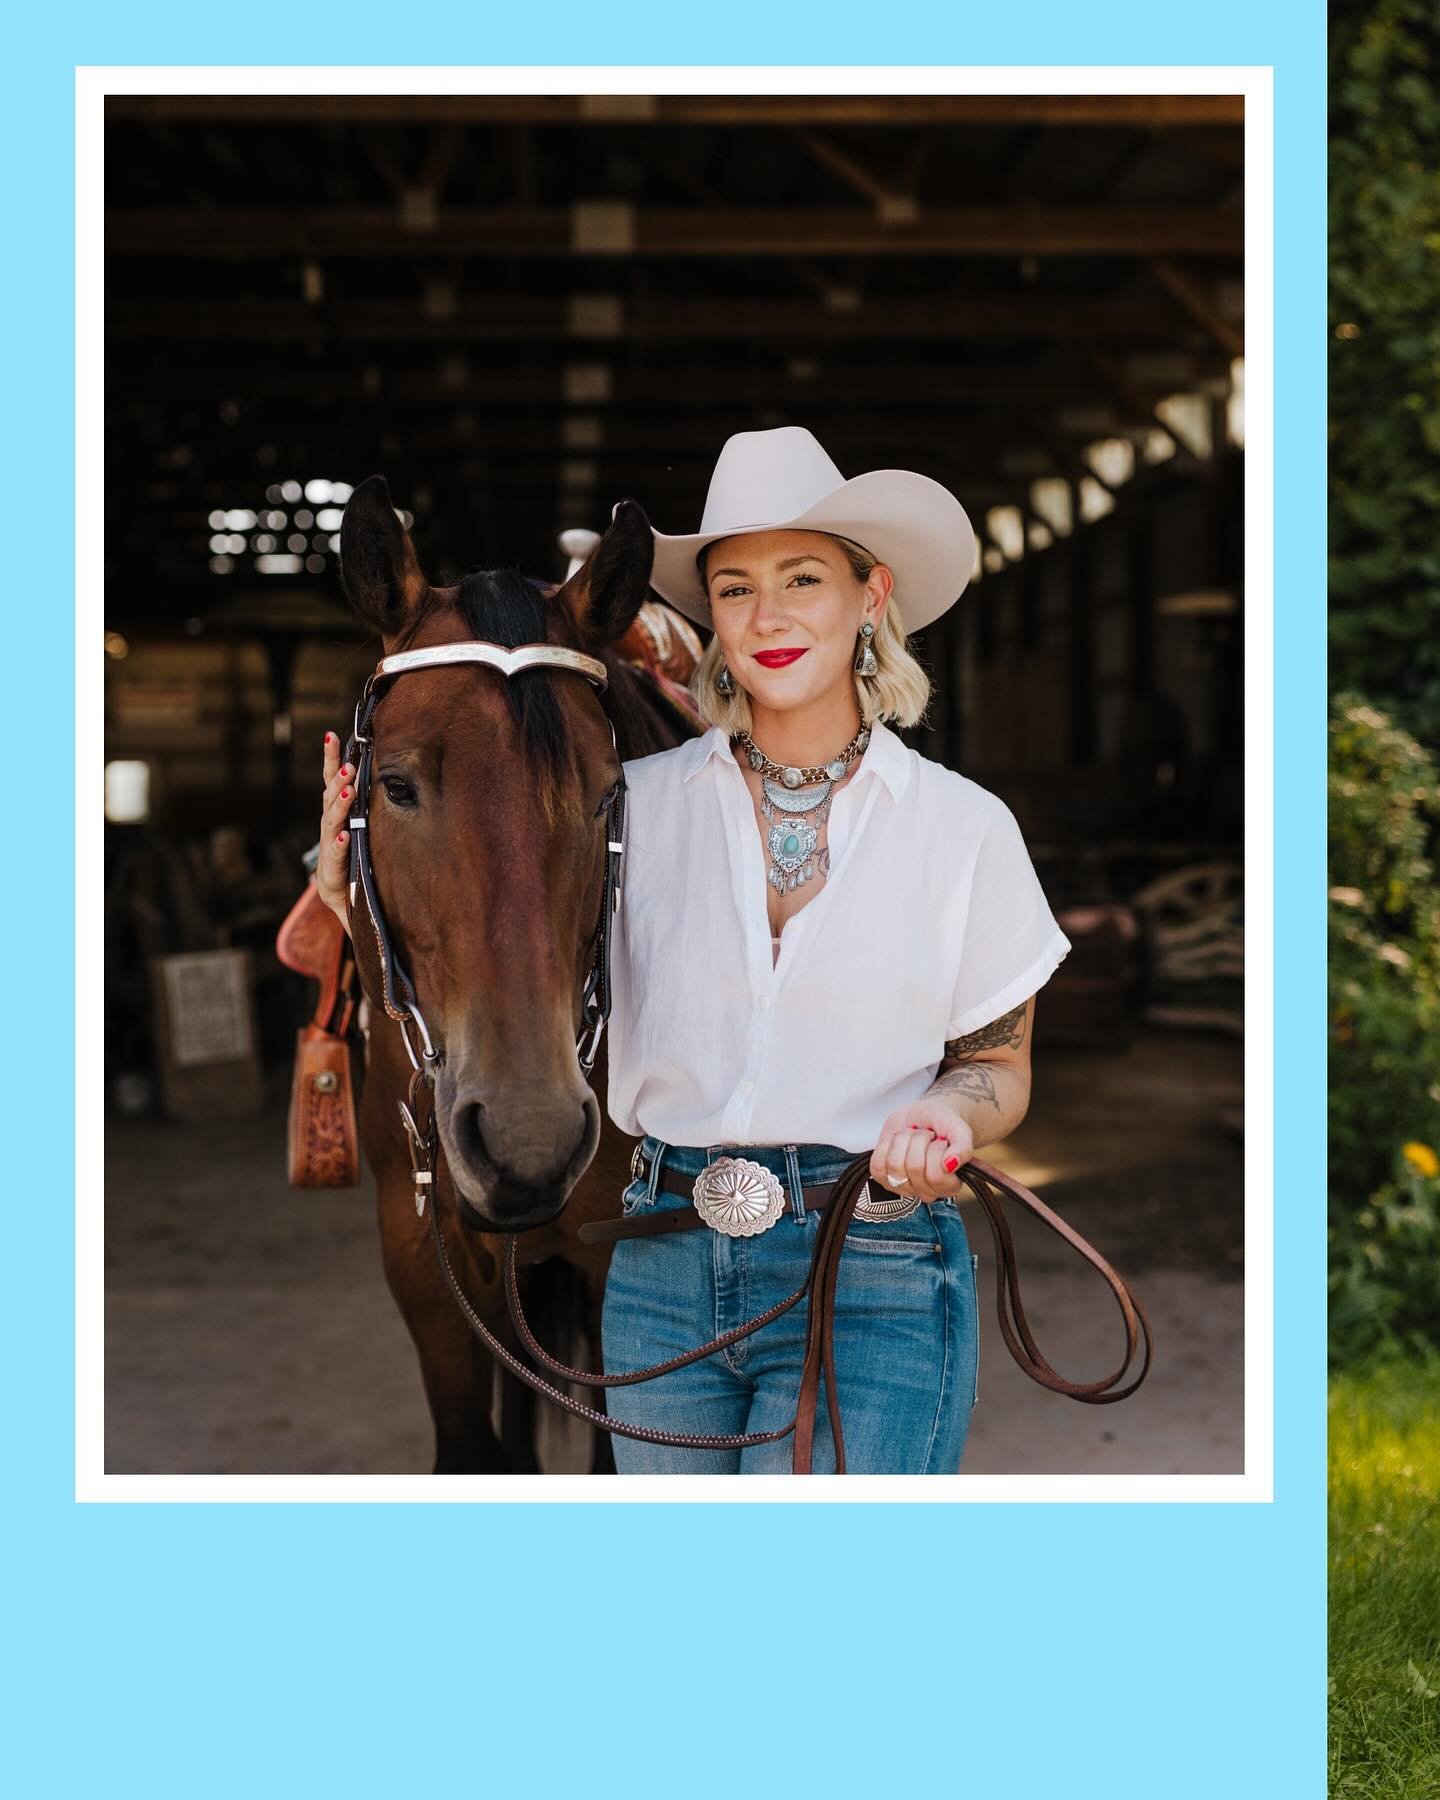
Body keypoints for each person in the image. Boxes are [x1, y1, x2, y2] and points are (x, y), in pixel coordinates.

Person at [317, 425, 1072, 1475]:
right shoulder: (629, 803)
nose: (768, 616)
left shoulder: (964, 828)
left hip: (871, 1257)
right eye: (734, 589)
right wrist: (349, 871)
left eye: (802, 579)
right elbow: (499, 867)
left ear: (870, 596)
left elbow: (996, 1062)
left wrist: (950, 1114)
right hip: (662, 1266)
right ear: (708, 617)